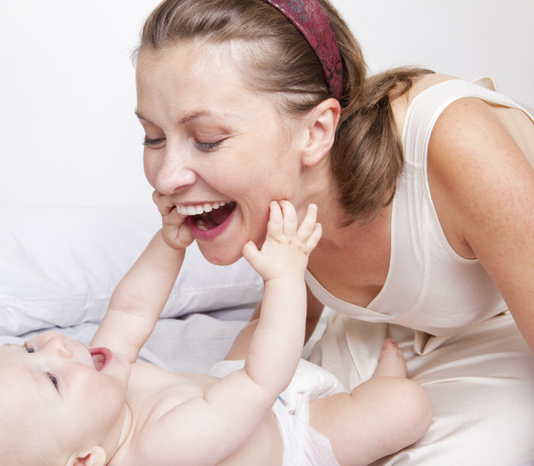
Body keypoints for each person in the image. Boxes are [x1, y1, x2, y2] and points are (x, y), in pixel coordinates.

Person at [133, 0, 534, 464]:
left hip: (507, 329)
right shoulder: (276, 207)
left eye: (206, 139)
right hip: (385, 340)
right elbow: (291, 317)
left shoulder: (453, 142)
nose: (165, 179)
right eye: (153, 138)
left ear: (317, 130)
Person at [0, 200, 431, 466]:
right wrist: (283, 276)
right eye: (51, 379)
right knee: (403, 410)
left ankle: (311, 311)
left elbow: (130, 310)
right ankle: (380, 382)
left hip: (225, 392)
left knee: (259, 331)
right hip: (289, 433)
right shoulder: (164, 448)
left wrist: (170, 242)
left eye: (27, 347)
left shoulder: (99, 392)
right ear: (84, 460)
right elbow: (262, 382)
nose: (54, 347)